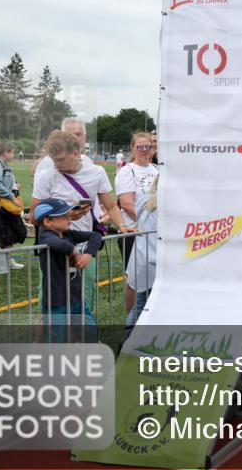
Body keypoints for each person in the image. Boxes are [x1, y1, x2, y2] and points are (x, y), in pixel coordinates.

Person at [31, 131, 135, 310]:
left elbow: (110, 206)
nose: (57, 165)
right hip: (54, 249)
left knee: (84, 299)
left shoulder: (97, 172)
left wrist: (123, 226)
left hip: (85, 245)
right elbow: (34, 216)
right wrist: (67, 217)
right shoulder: (46, 176)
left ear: (77, 153)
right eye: (53, 160)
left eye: (61, 159)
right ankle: (47, 338)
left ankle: (80, 338)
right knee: (49, 304)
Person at [34, 198, 102, 342]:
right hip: (56, 303)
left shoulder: (68, 234)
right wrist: (75, 251)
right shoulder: (45, 236)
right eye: (64, 216)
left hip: (76, 299)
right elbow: (56, 244)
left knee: (90, 334)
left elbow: (96, 236)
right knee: (57, 342)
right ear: (48, 222)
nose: (69, 218)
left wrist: (88, 254)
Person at [115, 132, 159, 314]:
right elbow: (126, 203)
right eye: (139, 147)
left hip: (156, 233)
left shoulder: (158, 169)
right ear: (133, 148)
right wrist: (147, 224)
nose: (143, 150)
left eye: (147, 146)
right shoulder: (127, 170)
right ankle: (131, 319)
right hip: (135, 232)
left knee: (154, 279)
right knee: (134, 281)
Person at [123, 180, 158, 340]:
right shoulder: (167, 203)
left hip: (142, 259)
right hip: (155, 262)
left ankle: (126, 344)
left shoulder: (145, 198)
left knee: (140, 306)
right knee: (148, 306)